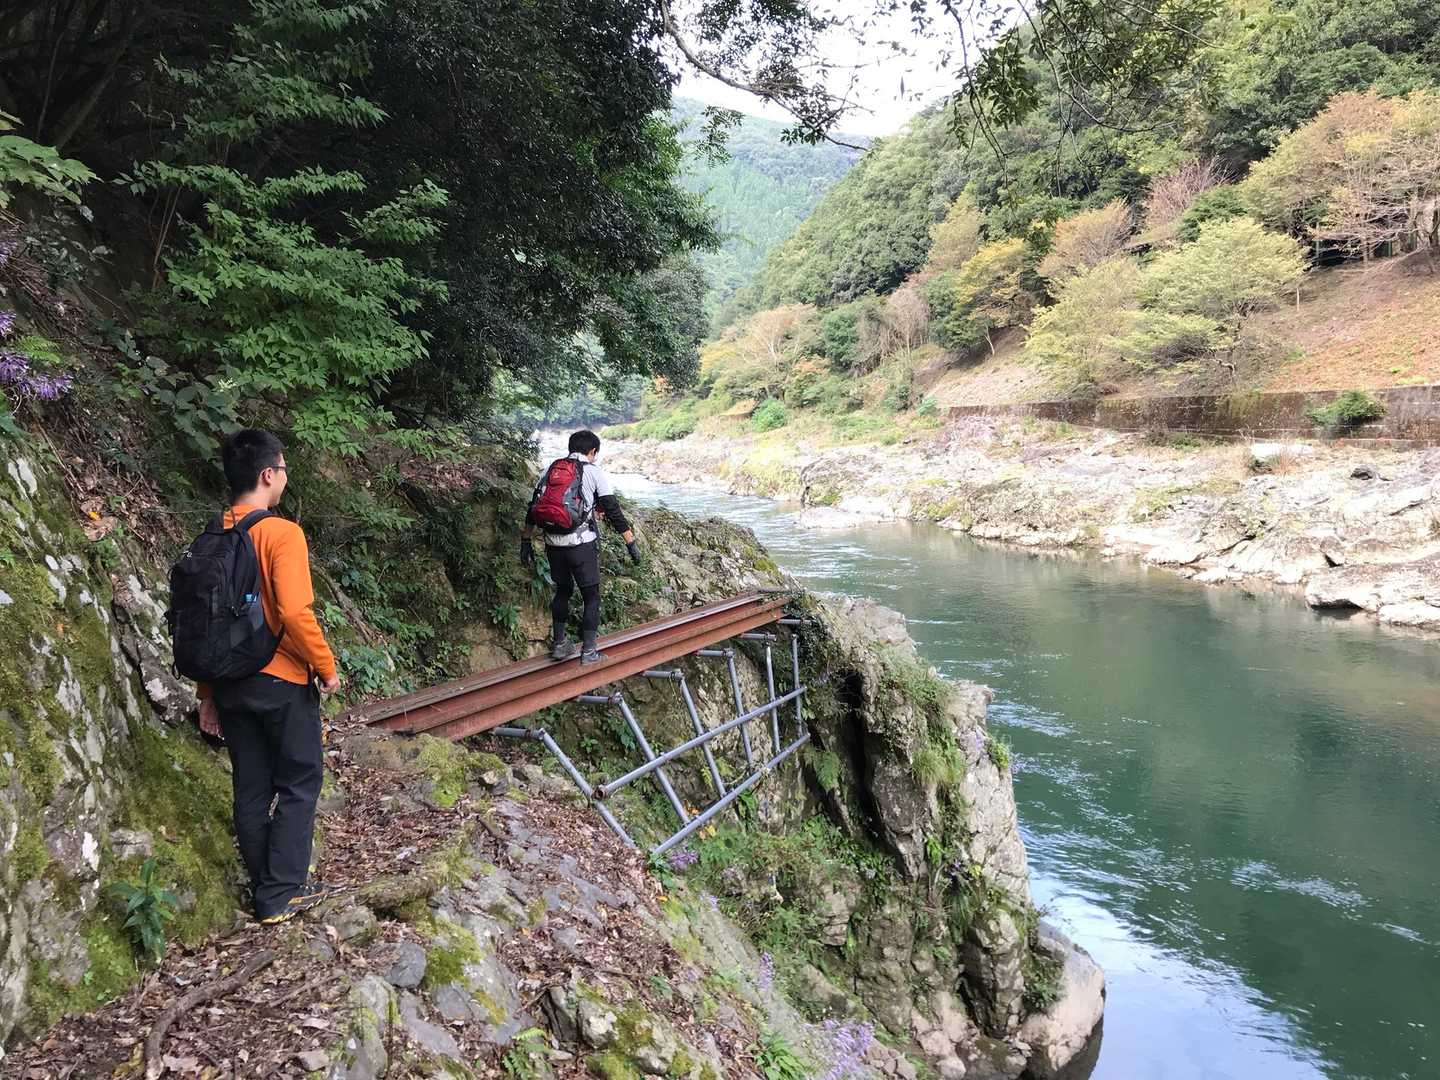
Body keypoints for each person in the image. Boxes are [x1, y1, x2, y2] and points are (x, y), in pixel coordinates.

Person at [195, 428, 341, 925]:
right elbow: (296, 612)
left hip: (228, 683)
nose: (285, 477)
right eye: (282, 469)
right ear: (266, 474)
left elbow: (206, 622)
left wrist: (207, 693)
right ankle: (281, 893)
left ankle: (266, 886)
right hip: (280, 679)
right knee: (300, 781)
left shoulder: (213, 534)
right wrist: (326, 667)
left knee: (251, 787)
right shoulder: (281, 533)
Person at [521, 429, 640, 664]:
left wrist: (526, 541)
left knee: (562, 591)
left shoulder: (550, 469)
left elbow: (533, 507)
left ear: (570, 448)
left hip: (553, 544)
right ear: (592, 451)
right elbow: (613, 510)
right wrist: (630, 542)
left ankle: (559, 645)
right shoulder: (593, 471)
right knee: (591, 596)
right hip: (581, 545)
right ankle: (589, 652)